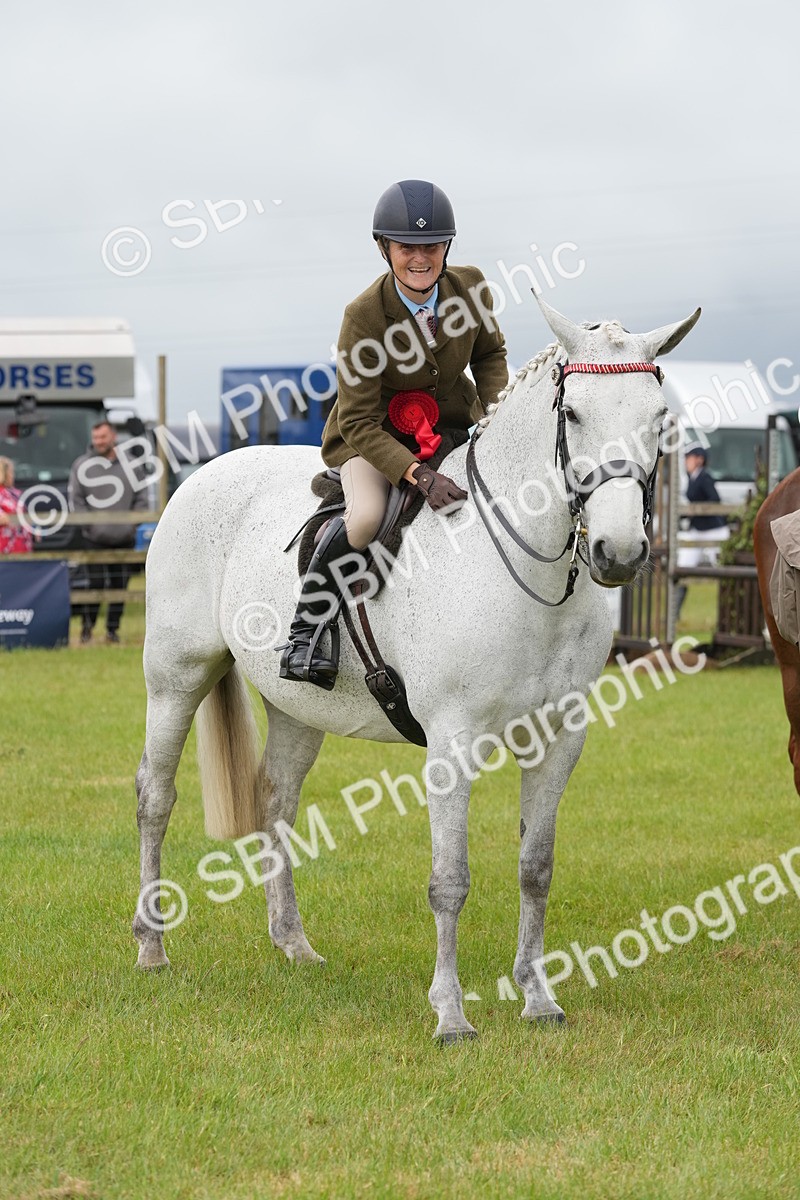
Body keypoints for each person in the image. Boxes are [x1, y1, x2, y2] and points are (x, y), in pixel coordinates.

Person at [278, 179, 509, 689]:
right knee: (364, 519)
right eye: (407, 247)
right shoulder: (362, 316)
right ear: (385, 248)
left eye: (431, 246)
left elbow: (490, 355)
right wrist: (417, 475)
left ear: (447, 246)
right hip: (373, 439)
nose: (420, 258)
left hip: (453, 427)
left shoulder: (471, 287)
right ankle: (306, 631)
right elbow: (357, 420)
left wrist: (496, 421)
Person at [68, 420, 150, 644]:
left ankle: (112, 631)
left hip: (124, 538)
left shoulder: (132, 464)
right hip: (93, 539)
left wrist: (132, 525)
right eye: (95, 438)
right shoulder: (81, 465)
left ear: (113, 436)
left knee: (120, 586)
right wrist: (89, 526)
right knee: (93, 585)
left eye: (102, 437)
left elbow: (142, 498)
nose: (98, 442)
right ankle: (87, 629)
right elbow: (76, 500)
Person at [675, 442, 729, 620]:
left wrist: (696, 511)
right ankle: (673, 614)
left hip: (714, 530)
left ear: (699, 459)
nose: (686, 461)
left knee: (724, 569)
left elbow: (715, 499)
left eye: (689, 457)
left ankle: (728, 613)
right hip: (697, 529)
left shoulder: (704, 478)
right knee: (682, 567)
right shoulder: (691, 478)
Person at [0, 457, 34, 554]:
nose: (12, 476)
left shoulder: (16, 494)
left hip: (21, 546)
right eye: (10, 472)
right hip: (4, 548)